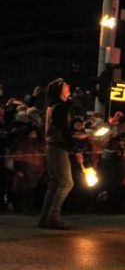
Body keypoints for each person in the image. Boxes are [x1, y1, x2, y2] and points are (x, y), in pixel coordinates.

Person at [39, 78, 85, 229]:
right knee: (66, 183)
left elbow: (60, 129)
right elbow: (63, 130)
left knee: (55, 183)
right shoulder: (60, 107)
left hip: (54, 146)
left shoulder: (54, 106)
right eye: (66, 85)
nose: (69, 86)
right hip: (58, 148)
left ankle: (45, 217)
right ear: (60, 89)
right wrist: (74, 148)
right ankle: (53, 217)